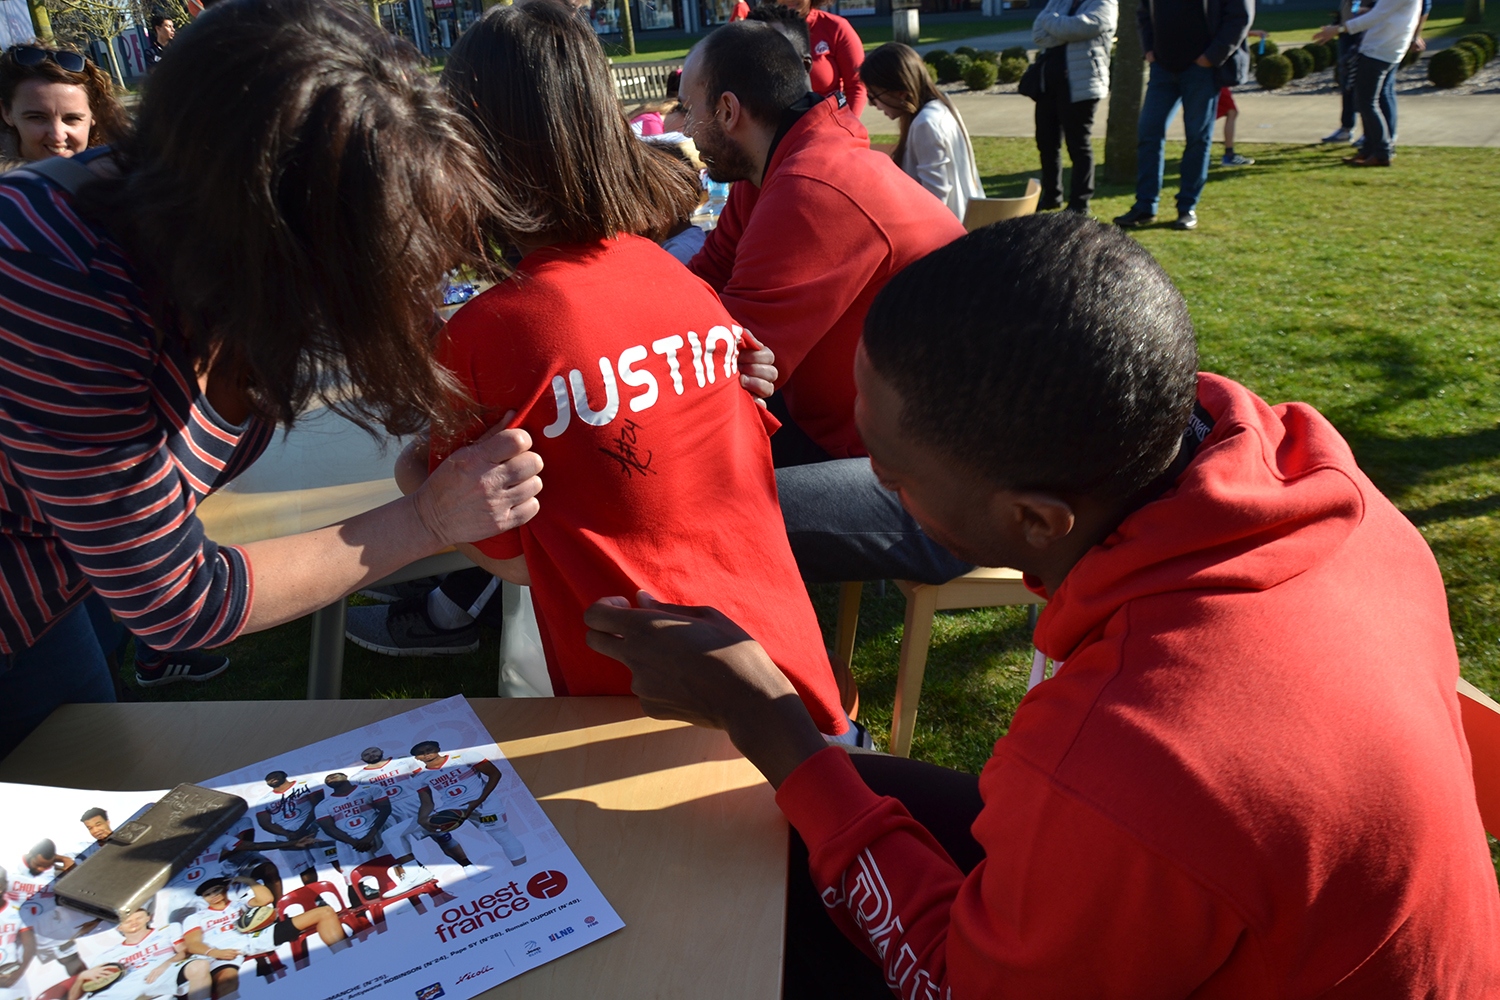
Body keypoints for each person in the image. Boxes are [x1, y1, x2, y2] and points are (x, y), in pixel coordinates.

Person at [581, 212, 1500, 996]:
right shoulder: (1315, 490)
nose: (880, 490)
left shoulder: (1134, 751)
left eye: (896, 480)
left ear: (1035, 519)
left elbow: (954, 980)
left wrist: (767, 720)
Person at [0, 0, 543, 758]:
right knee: (59, 796)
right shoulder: (53, 280)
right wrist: (425, 521)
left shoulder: (199, 249)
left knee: (85, 753)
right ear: (267, 231)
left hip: (56, 568)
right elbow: (175, 600)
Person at [355, 2, 850, 737]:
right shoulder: (684, 285)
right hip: (795, 695)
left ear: (466, 148)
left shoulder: (487, 334)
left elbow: (511, 561)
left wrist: (410, 470)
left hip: (649, 733)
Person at [684, 21, 969, 593]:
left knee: (704, 512)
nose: (686, 131)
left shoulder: (811, 186)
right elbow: (701, 285)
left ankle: (765, 677)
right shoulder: (778, 166)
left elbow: (718, 361)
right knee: (682, 471)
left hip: (952, 484)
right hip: (866, 433)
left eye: (687, 112)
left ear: (728, 111)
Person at [1113, 0, 1252, 230]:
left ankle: (1187, 207)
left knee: (1197, 137)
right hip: (1162, 67)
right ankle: (1145, 206)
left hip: (1201, 70)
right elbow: (1144, 12)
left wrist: (1211, 57)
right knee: (1149, 132)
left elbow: (1239, 17)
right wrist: (1148, 49)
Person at [859, 42, 983, 221]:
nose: (871, 104)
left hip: (949, 236)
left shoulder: (926, 124)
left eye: (873, 95)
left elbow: (935, 201)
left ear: (900, 92)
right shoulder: (942, 108)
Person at [1029, 0, 1116, 214]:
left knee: (1078, 145)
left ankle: (1079, 203)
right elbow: (1038, 33)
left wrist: (1055, 24)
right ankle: (1051, 195)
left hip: (1082, 85)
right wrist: (1064, 27)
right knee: (1047, 143)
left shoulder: (1104, 3)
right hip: (1048, 85)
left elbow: (1085, 27)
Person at [1314, 0, 1422, 166]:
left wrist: (1338, 29)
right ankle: (1369, 150)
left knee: (1367, 102)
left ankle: (1382, 152)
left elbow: (1376, 16)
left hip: (1379, 50)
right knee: (1365, 100)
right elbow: (1383, 12)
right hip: (1385, 48)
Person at [0, 43, 127, 166]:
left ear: (94, 113)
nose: (57, 136)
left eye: (72, 119)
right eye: (37, 117)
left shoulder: (127, 172)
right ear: (6, 112)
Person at [412, 740, 527, 867]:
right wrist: (421, 819)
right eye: (421, 753)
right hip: (454, 807)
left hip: (483, 803)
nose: (426, 754)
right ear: (417, 758)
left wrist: (479, 800)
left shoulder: (465, 757)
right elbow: (427, 802)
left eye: (429, 750)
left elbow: (495, 774)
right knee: (428, 826)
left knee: (502, 836)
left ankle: (523, 868)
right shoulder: (420, 777)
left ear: (438, 748)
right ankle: (466, 865)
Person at [776, 0, 865, 114]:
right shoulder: (762, 30)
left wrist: (847, 127)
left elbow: (857, 86)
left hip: (828, 125)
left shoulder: (835, 28)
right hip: (777, 128)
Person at [1216, 29, 1263, 167]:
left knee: (1204, 116)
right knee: (1231, 112)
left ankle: (1199, 154)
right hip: (1215, 75)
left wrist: (1250, 32)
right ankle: (1229, 155)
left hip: (1210, 73)